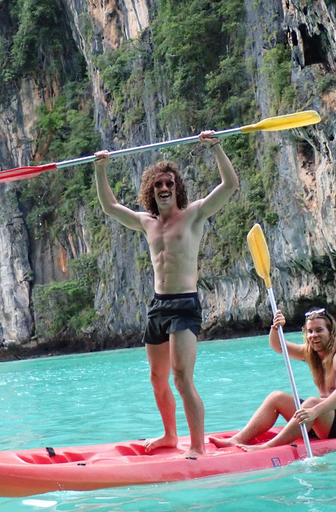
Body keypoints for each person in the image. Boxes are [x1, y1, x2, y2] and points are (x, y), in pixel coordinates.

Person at [93, 132, 239, 458]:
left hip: (184, 304)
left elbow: (229, 186)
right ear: (150, 190)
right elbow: (109, 206)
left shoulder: (194, 215)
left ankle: (198, 447)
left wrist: (215, 146)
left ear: (176, 189)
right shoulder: (146, 223)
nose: (163, 189)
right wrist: (100, 168)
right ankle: (170, 436)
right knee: (157, 377)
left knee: (181, 377)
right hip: (158, 306)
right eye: (158, 184)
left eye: (169, 184)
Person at [209, 308, 336, 450]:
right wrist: (276, 327)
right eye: (310, 331)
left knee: (312, 402)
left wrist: (314, 411)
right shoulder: (311, 354)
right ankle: (237, 439)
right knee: (276, 398)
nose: (314, 336)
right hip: (323, 418)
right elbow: (279, 346)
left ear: (331, 332)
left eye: (319, 330)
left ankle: (267, 447)